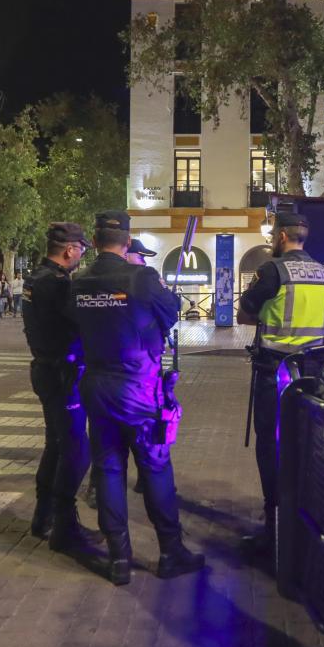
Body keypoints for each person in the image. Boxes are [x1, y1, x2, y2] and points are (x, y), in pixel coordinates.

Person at [67, 210, 203, 586]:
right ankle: (170, 551)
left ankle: (118, 558)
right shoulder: (141, 277)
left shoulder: (79, 282)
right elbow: (172, 313)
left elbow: (74, 324)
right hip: (139, 389)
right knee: (156, 467)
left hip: (96, 385)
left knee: (109, 469)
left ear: (94, 243)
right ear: (127, 244)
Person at [236, 212, 324, 560]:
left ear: (280, 237)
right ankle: (302, 523)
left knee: (271, 449)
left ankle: (274, 527)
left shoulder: (273, 271)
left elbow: (244, 312)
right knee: (306, 449)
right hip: (312, 377)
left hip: (275, 373)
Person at [23, 222, 99, 553]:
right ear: (69, 249)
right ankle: (64, 524)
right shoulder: (56, 283)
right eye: (81, 249)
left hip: (44, 368)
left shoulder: (36, 277)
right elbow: (78, 321)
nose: (81, 255)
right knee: (76, 449)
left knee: (55, 445)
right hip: (61, 372)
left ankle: (44, 518)